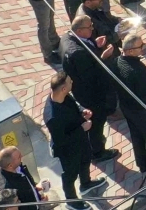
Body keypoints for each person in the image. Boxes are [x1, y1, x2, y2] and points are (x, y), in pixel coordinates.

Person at [43, 73, 103, 209]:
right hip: (68, 151)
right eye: (70, 82)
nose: (72, 82)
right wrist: (82, 129)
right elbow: (61, 140)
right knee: (70, 175)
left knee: (85, 160)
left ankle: (86, 184)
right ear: (63, 88)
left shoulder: (63, 96)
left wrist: (82, 111)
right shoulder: (52, 117)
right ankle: (71, 201)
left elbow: (74, 104)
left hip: (81, 142)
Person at [112, 32, 146, 174]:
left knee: (136, 135)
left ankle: (142, 163)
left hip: (127, 107)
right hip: (143, 110)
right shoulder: (136, 72)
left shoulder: (117, 61)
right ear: (130, 51)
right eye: (141, 46)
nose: (143, 48)